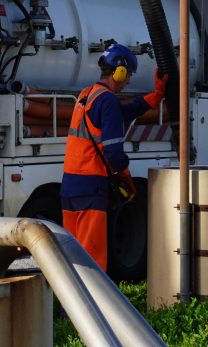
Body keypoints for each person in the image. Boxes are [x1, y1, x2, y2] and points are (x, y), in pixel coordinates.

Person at [60, 42, 168, 271]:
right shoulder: (107, 100)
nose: (128, 80)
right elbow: (113, 153)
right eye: (128, 74)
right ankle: (93, 306)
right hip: (91, 190)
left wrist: (155, 96)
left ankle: (66, 307)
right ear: (120, 71)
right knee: (92, 262)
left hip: (70, 188)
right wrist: (126, 177)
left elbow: (124, 112)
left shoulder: (87, 95)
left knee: (73, 261)